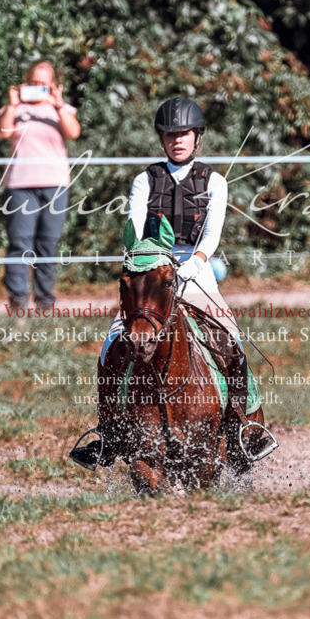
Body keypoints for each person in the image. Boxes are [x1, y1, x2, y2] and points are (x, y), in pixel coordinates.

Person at [70, 96, 271, 471]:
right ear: (162, 138)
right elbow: (135, 228)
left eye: (185, 133)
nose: (178, 140)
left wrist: (194, 264)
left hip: (196, 270)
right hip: (153, 271)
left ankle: (244, 426)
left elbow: (210, 237)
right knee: (111, 345)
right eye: (170, 134)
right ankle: (109, 433)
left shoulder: (215, 181)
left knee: (231, 337)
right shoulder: (144, 180)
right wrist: (151, 264)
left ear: (198, 136)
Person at [0, 60, 80, 309]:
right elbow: (2, 132)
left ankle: (45, 302)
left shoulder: (61, 109)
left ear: (54, 85)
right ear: (25, 82)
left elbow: (73, 132)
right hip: (20, 184)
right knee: (19, 243)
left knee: (48, 244)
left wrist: (59, 104)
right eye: (33, 83)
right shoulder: (15, 109)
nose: (38, 88)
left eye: (44, 84)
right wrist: (12, 105)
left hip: (55, 184)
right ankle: (18, 301)